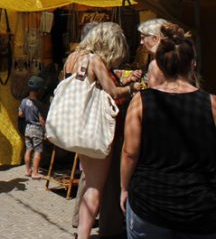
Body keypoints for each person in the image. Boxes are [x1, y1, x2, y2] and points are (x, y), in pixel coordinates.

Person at [121, 23, 216, 238]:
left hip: (149, 204)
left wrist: (123, 188)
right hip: (200, 208)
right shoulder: (211, 104)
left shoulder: (141, 102)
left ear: (160, 65)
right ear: (193, 64)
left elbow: (129, 153)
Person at [66, 22, 141, 239]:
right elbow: (113, 90)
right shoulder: (95, 60)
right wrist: (133, 87)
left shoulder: (75, 59)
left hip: (78, 127)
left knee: (89, 181)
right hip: (94, 129)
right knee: (96, 188)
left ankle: (81, 231)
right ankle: (85, 235)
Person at [18, 76, 47, 179]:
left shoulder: (24, 101)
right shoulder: (39, 104)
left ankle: (27, 170)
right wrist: (45, 131)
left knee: (28, 149)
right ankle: (35, 172)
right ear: (39, 90)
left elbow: (20, 114)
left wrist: (27, 113)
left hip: (27, 128)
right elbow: (41, 120)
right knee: (38, 150)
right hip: (37, 129)